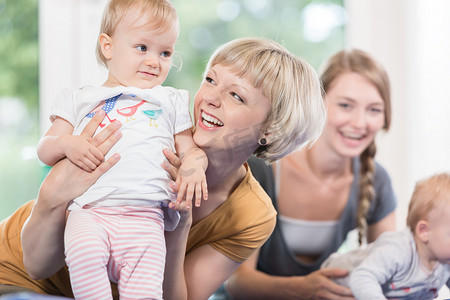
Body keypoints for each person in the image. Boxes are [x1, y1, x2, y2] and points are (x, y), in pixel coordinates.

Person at [0, 37, 326, 300]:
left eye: (236, 97)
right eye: (210, 80)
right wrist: (53, 194)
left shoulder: (251, 214)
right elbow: (38, 265)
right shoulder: (144, 131)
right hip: (17, 277)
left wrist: (178, 226)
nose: (210, 98)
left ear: (271, 128)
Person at [35, 0, 207, 299]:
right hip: (89, 212)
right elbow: (45, 148)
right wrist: (66, 143)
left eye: (165, 52)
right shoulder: (79, 97)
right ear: (108, 46)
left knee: (144, 292)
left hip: (146, 218)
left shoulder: (169, 100)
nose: (155, 61)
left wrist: (194, 169)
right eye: (142, 47)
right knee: (84, 256)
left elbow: (191, 150)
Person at [225, 49, 397, 300]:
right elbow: (236, 282)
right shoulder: (263, 166)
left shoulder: (375, 179)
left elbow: (391, 269)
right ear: (318, 103)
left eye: (373, 109)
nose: (360, 123)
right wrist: (304, 289)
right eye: (346, 105)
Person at [321, 172, 450, 300]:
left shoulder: (444, 260)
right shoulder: (398, 250)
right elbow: (362, 277)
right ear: (424, 231)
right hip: (335, 281)